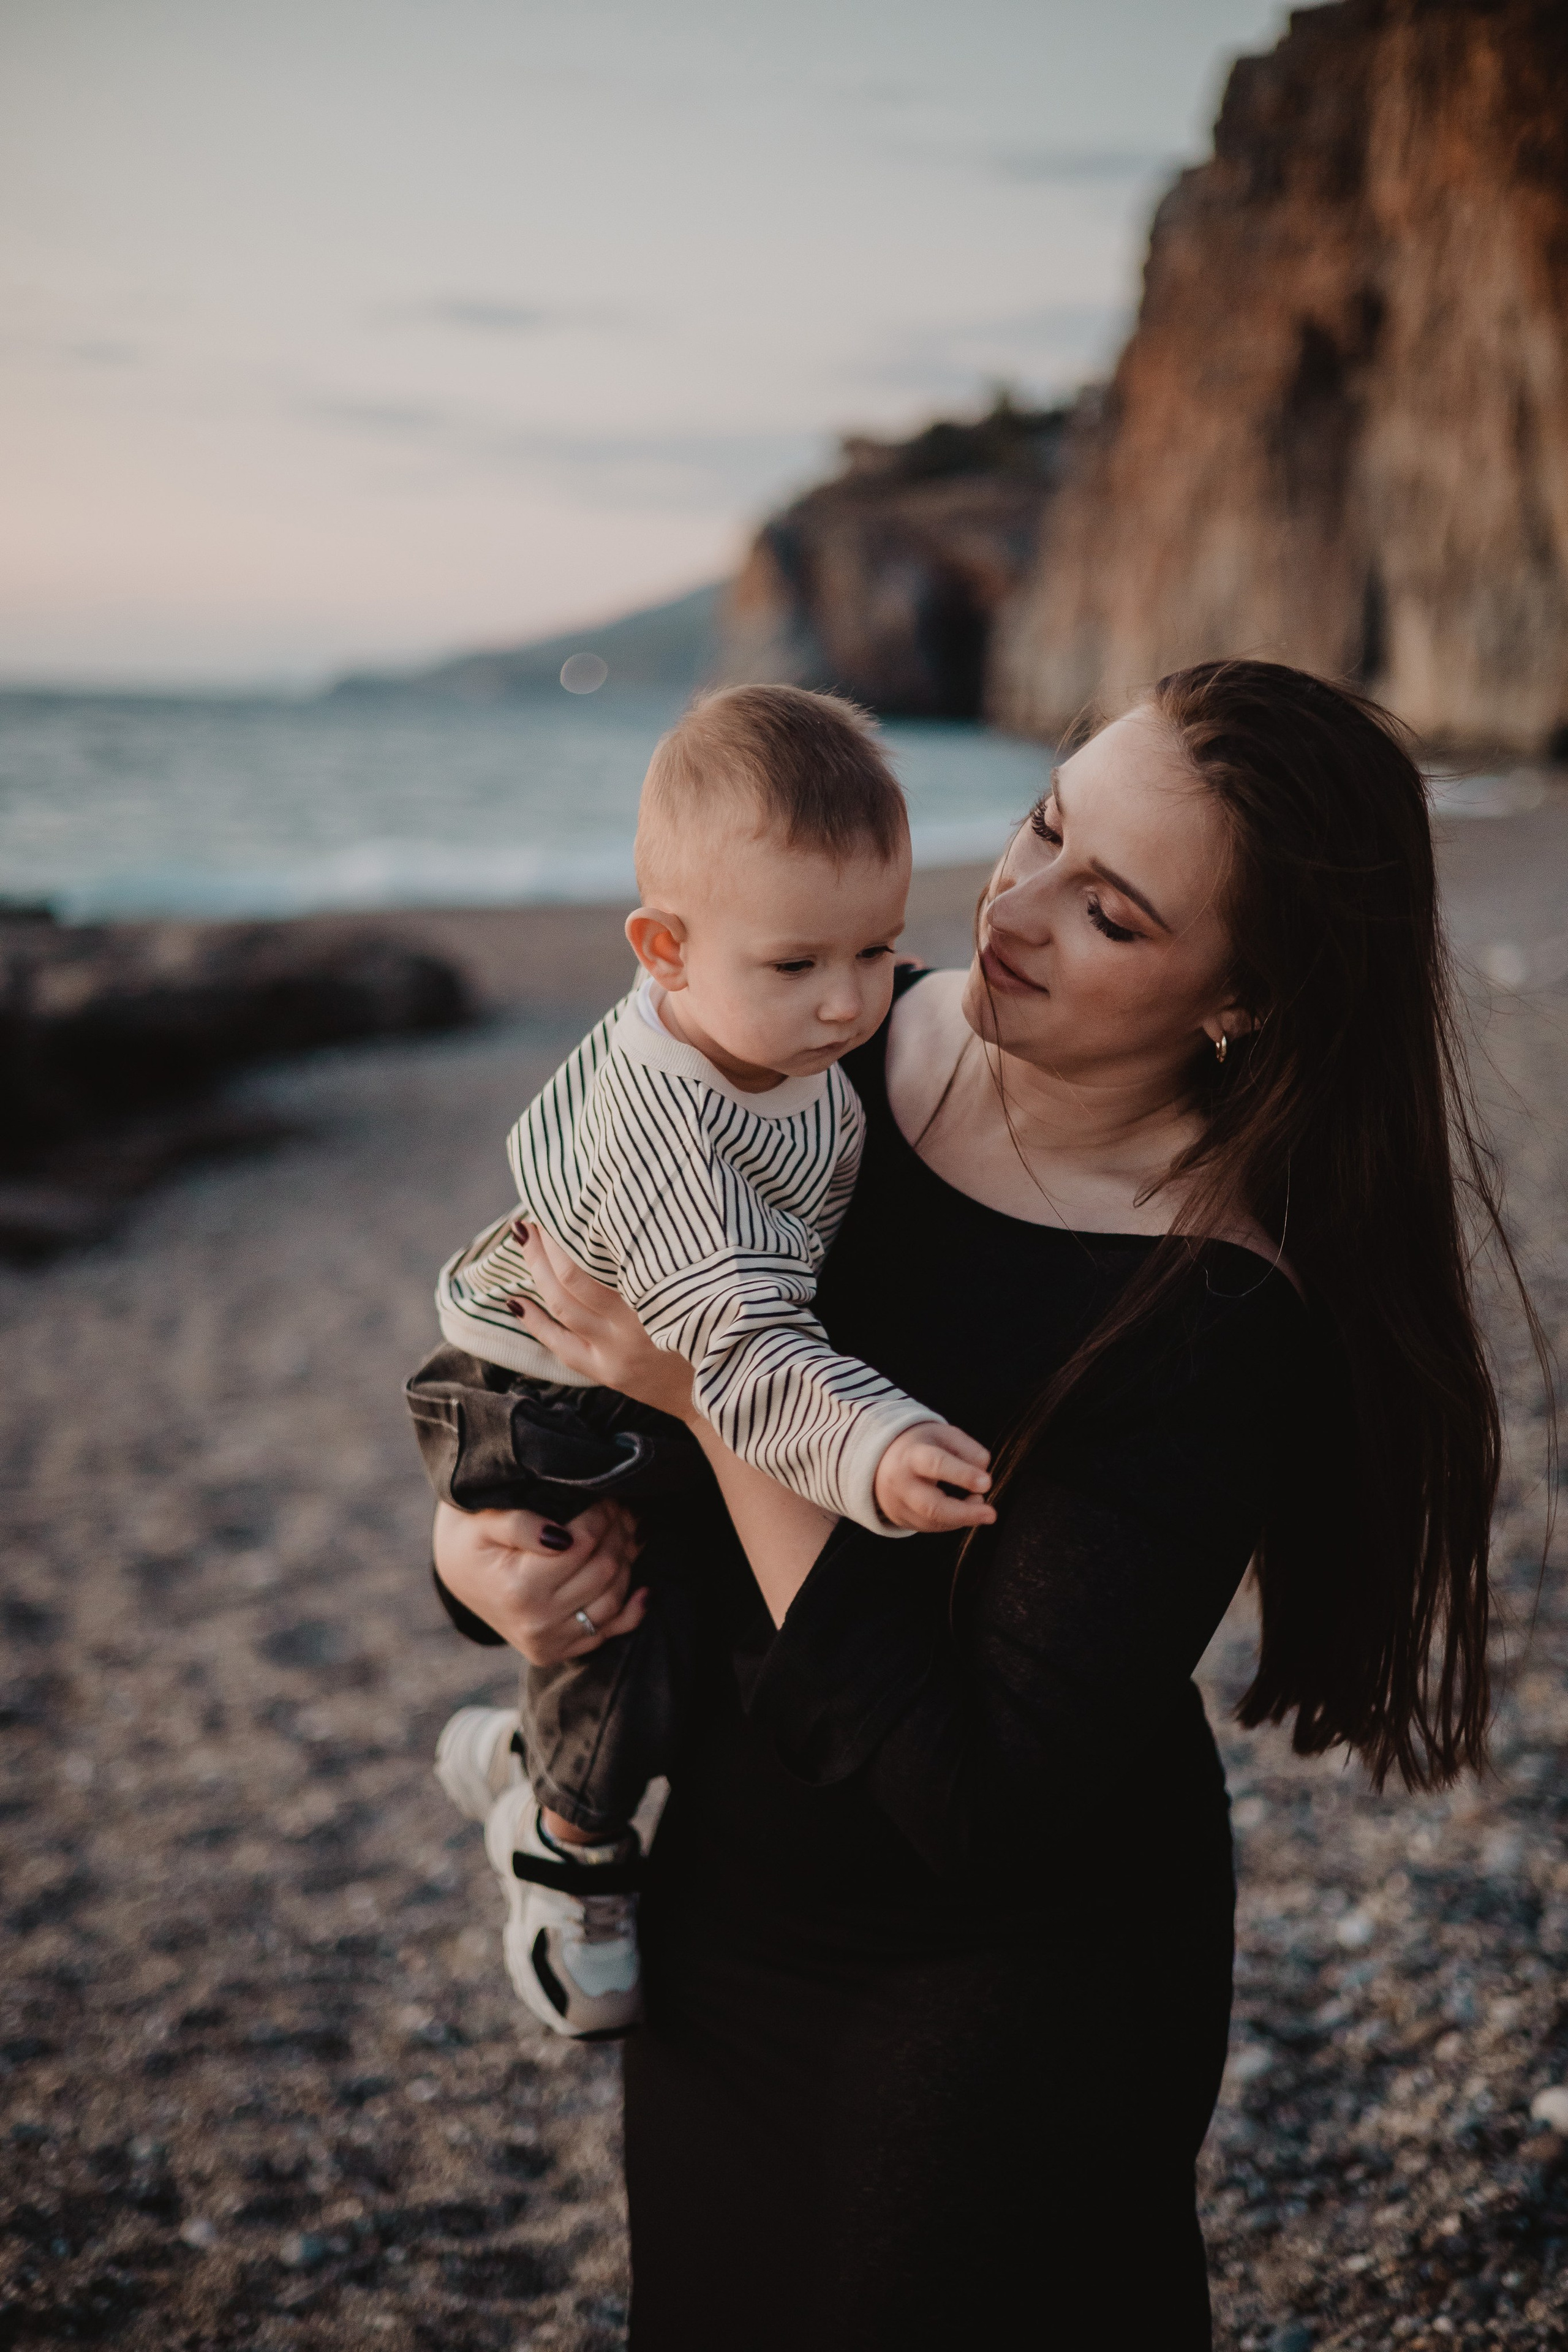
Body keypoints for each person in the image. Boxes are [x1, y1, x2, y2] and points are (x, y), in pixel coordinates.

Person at [431, 661, 1532, 2349]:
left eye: (1110, 911)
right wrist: (487, 1565)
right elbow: (556, 1348)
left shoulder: (1211, 1308)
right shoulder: (831, 1044)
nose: (1011, 904)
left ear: (1244, 998)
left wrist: (707, 1403)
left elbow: (980, 1796)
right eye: (1040, 825)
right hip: (725, 1901)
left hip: (991, 1997)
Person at [410, 685, 993, 2040]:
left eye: (876, 948)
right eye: (799, 966)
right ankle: (567, 1839)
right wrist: (874, 1445)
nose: (848, 1001)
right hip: (545, 1389)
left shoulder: (750, 994)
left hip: (624, 1353)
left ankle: (520, 1750)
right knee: (625, 1605)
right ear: (660, 952)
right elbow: (740, 1348)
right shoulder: (673, 1137)